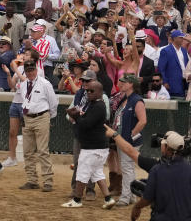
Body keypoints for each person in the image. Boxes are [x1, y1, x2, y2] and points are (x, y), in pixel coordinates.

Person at [63, 79, 116, 209]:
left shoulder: (98, 106)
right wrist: (80, 115)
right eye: (87, 90)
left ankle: (76, 200)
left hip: (93, 147)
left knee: (82, 173)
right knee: (97, 173)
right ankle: (108, 198)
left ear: (100, 92)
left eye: (91, 91)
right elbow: (87, 121)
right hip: (97, 147)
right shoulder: (95, 105)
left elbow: (86, 125)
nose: (88, 93)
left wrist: (76, 116)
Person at [123, 131, 191, 220]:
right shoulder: (189, 169)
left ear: (167, 147)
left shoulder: (157, 170)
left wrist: (137, 207)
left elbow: (147, 199)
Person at [16, 51, 58, 192]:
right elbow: (24, 101)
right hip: (28, 118)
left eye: (32, 70)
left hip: (41, 117)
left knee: (42, 151)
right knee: (28, 151)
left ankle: (48, 181)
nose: (30, 73)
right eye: (27, 71)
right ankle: (32, 180)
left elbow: (53, 103)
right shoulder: (23, 85)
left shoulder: (45, 84)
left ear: (36, 69)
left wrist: (48, 117)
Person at [113, 74, 146, 207]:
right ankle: (130, 195)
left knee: (127, 168)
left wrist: (131, 135)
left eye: (124, 82)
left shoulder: (137, 100)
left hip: (128, 141)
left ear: (131, 84)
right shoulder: (125, 99)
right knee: (127, 168)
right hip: (122, 139)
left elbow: (143, 121)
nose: (121, 84)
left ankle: (126, 197)